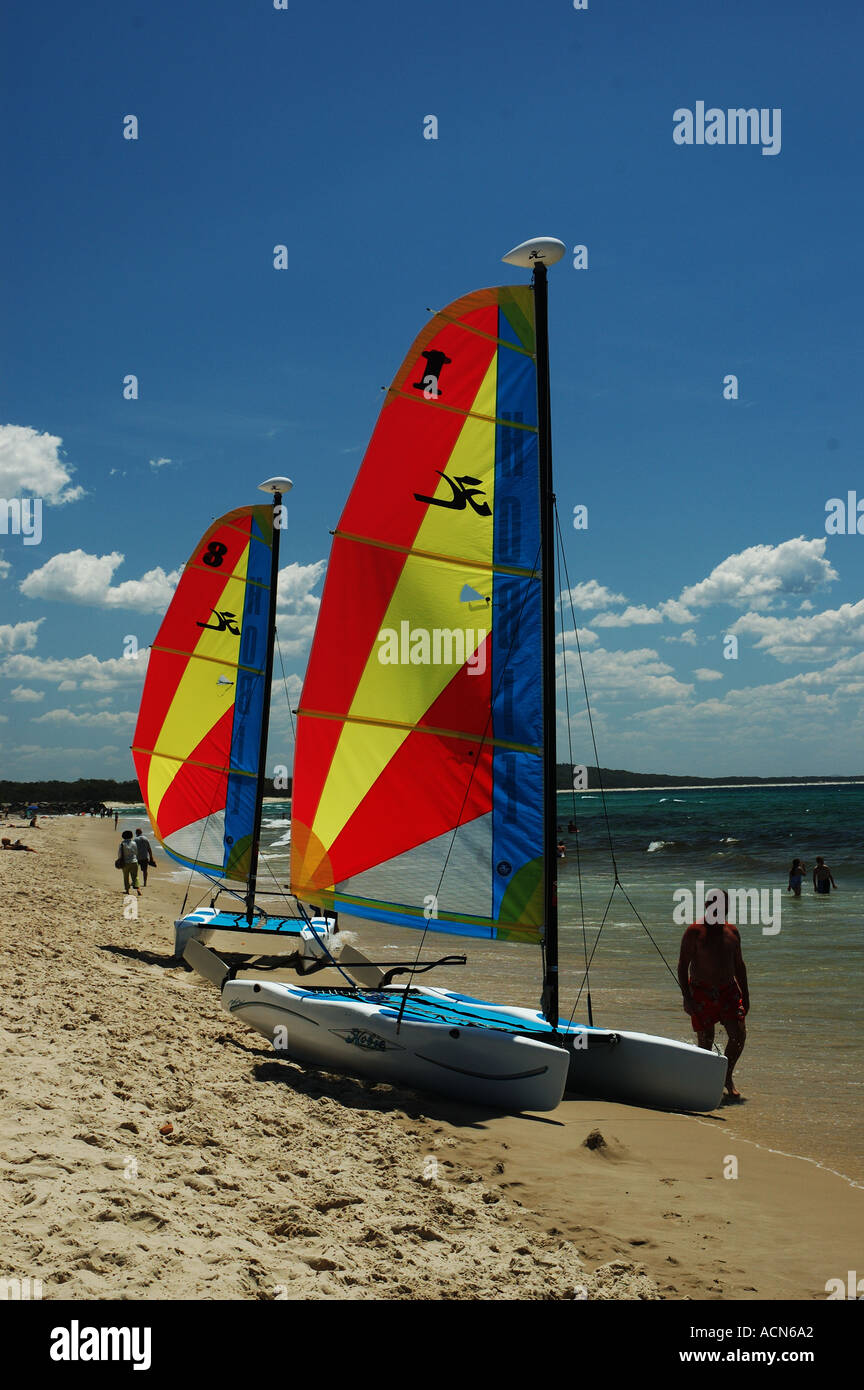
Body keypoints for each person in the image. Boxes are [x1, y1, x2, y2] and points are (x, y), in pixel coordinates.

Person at [677, 889, 749, 1101]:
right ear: (707, 905)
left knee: (738, 1036)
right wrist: (686, 997)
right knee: (706, 1040)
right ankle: (705, 1083)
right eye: (713, 904)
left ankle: (726, 1077)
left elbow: (740, 966)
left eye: (723, 905)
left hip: (728, 991)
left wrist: (746, 994)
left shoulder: (732, 932)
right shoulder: (695, 931)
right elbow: (682, 966)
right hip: (701, 992)